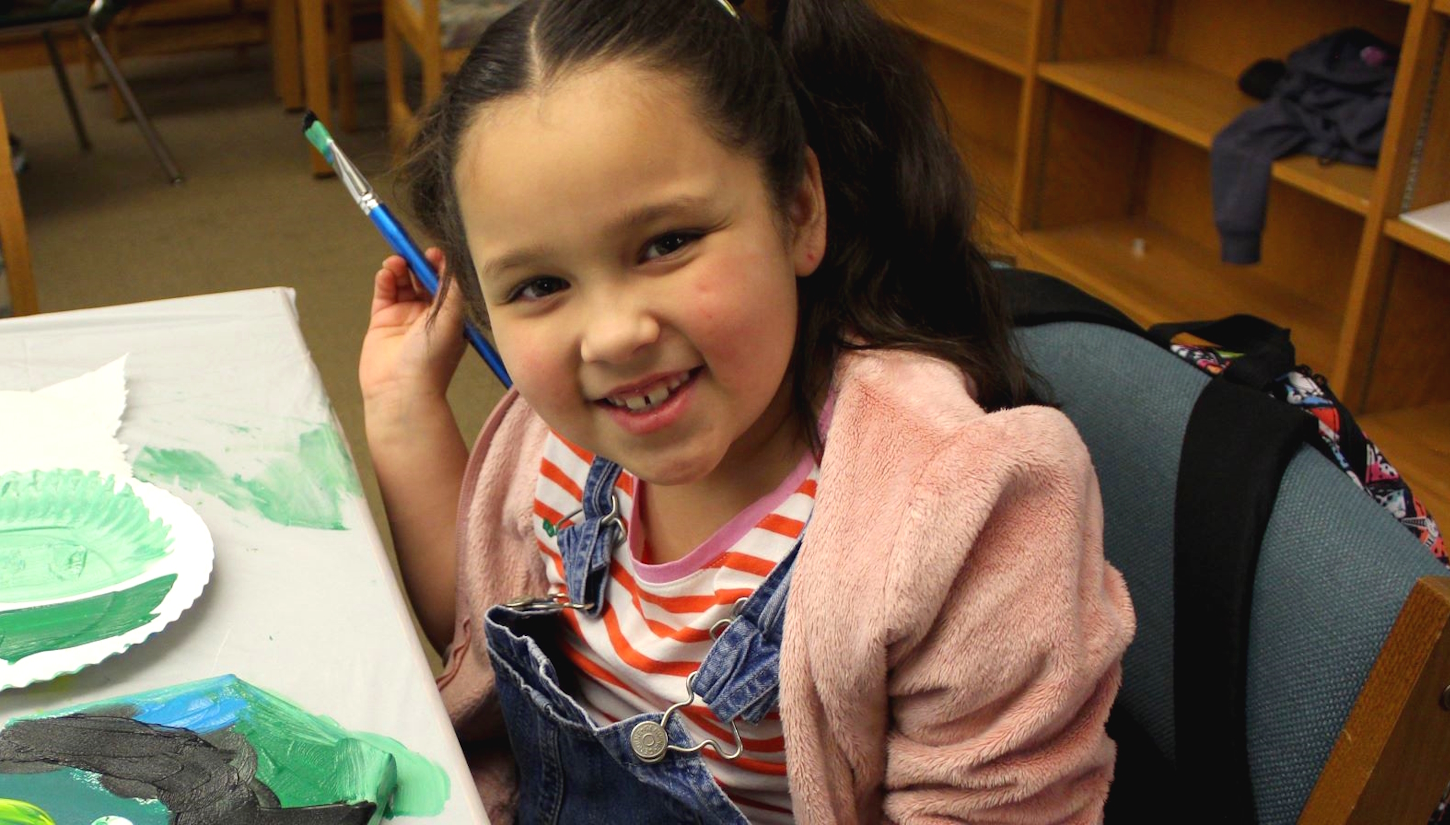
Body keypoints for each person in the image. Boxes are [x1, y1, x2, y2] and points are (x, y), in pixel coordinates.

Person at [358, 0, 1137, 821]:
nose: (615, 335)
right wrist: (403, 405)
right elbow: (476, 633)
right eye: (540, 286)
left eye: (668, 243)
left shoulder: (955, 510)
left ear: (798, 211)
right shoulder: (554, 442)